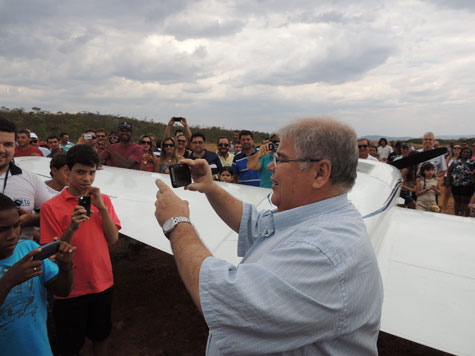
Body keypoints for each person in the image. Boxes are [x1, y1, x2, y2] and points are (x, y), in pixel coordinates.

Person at [154, 117, 383, 355]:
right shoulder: (319, 218)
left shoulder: (323, 250)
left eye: (280, 159)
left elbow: (225, 299)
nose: (270, 166)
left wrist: (177, 223)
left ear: (320, 173)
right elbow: (254, 224)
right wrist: (210, 186)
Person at [40, 144, 121, 356]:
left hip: (101, 282)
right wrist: (72, 227)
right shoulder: (51, 207)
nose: (87, 178)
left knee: (101, 335)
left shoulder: (103, 201)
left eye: (92, 172)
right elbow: (54, 252)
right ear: (68, 172)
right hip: (69, 288)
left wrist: (102, 208)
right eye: (80, 172)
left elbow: (113, 239)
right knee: (70, 344)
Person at [0, 193, 76, 356]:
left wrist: (65, 266)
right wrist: (8, 281)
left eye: (16, 225)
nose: (12, 235)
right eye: (2, 229)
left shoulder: (28, 249)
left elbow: (63, 290)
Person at [0, 117, 51, 240]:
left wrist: (32, 219)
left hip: (22, 256)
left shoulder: (31, 178)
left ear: (14, 146)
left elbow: (51, 218)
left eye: (8, 144)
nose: (1, 150)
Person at [447, 147, 475, 216]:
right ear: (461, 153)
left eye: (468, 152)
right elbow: (449, 171)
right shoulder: (455, 162)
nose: (466, 153)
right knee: (457, 200)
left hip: (468, 185)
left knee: (466, 201)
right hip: (455, 184)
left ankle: (466, 216)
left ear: (470, 154)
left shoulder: (473, 162)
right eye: (464, 152)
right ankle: (456, 215)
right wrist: (448, 181)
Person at [441, 144, 461, 213]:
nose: (456, 149)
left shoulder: (462, 158)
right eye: (455, 148)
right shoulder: (449, 158)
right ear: (452, 150)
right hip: (448, 177)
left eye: (458, 148)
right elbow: (446, 167)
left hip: (458, 178)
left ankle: (457, 210)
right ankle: (443, 209)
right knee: (447, 194)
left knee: (457, 195)